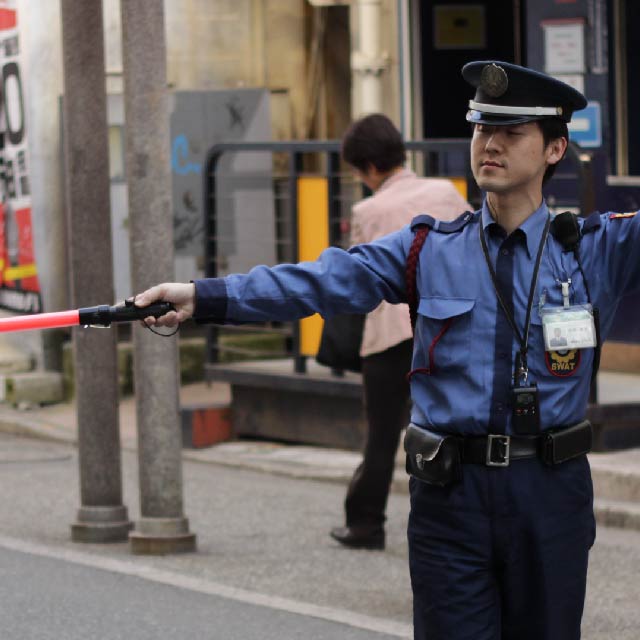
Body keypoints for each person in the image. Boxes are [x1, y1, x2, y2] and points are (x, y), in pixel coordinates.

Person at [135, 61, 640, 639]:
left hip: (549, 494)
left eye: (511, 132)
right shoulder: (428, 249)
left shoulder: (594, 250)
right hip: (451, 497)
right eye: (482, 128)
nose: (490, 144)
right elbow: (319, 280)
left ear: (554, 149)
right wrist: (204, 296)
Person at [330, 113, 470, 550]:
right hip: (448, 331)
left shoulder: (367, 211)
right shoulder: (446, 192)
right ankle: (460, 523)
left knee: (382, 434)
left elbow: (361, 280)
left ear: (370, 167)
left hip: (389, 337)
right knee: (454, 429)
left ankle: (365, 524)